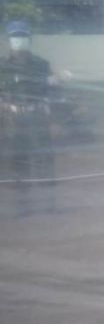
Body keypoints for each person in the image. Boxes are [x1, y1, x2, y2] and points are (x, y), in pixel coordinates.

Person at [1, 21, 58, 217]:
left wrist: (52, 119)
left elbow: (52, 91)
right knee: (18, 160)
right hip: (12, 118)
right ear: (9, 41)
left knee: (45, 159)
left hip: (38, 115)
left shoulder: (41, 64)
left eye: (22, 37)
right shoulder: (2, 65)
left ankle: (50, 204)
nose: (19, 41)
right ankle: (22, 206)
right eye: (15, 37)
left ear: (29, 40)